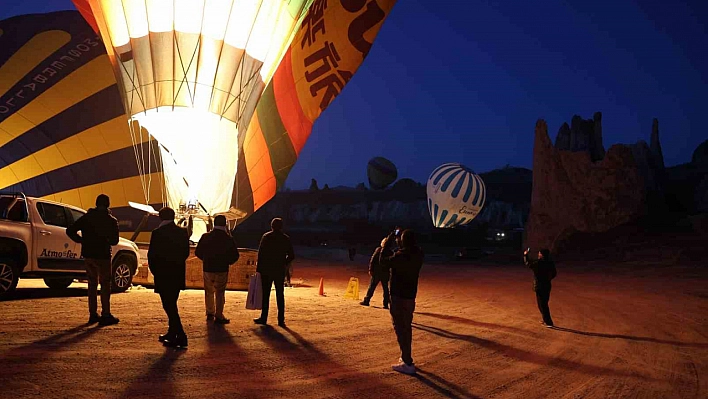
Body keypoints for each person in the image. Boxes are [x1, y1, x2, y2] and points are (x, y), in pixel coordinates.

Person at [66, 194, 120, 326]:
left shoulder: (86, 218)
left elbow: (70, 230)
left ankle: (92, 314)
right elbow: (115, 241)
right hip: (103, 256)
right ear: (108, 204)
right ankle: (106, 314)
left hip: (89, 255)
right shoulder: (111, 220)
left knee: (92, 284)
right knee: (105, 285)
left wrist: (81, 241)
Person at [380, 229, 424, 375]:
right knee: (407, 327)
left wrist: (386, 245)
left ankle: (407, 362)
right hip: (410, 297)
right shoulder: (418, 255)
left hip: (398, 296)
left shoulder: (400, 256)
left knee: (400, 328)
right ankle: (406, 358)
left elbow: (383, 262)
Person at [148, 207, 190, 348]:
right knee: (172, 303)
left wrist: (155, 272)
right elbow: (185, 253)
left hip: (163, 274)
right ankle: (172, 333)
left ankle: (181, 335)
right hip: (176, 274)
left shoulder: (157, 233)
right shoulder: (182, 232)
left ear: (160, 217)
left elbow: (152, 255)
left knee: (168, 305)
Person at [195, 215, 239, 324]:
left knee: (209, 291)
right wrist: (227, 262)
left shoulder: (205, 236)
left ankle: (210, 312)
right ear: (225, 224)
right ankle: (219, 315)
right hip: (222, 268)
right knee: (220, 292)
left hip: (208, 268)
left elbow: (198, 252)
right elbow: (235, 255)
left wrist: (205, 260)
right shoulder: (228, 238)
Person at [254, 218, 294, 327]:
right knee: (280, 295)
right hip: (279, 270)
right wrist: (283, 263)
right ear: (281, 227)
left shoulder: (266, 237)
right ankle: (281, 320)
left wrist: (259, 270)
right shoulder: (285, 238)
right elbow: (291, 255)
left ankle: (264, 317)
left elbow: (261, 254)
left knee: (266, 294)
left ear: (271, 226)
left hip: (266, 269)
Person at [523, 248, 557, 328]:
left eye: (539, 253)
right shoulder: (550, 263)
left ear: (541, 254)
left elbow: (528, 263)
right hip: (547, 285)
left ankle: (548, 322)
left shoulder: (538, 263)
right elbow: (554, 273)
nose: (538, 254)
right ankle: (545, 319)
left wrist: (525, 255)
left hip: (539, 286)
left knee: (542, 304)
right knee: (544, 303)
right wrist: (548, 278)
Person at [359, 238, 390, 308]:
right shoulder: (390, 252)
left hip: (377, 272)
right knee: (385, 289)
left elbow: (373, 260)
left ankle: (367, 300)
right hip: (384, 273)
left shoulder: (379, 250)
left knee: (372, 287)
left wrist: (371, 269)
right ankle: (385, 304)